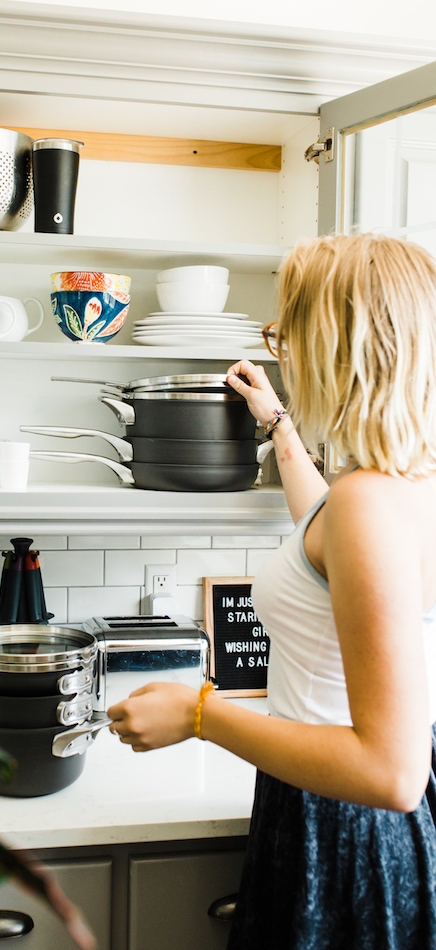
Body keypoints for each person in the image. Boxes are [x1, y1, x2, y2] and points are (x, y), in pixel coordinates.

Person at [107, 232, 436, 950]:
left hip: (343, 829)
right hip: (331, 811)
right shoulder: (390, 486)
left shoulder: (369, 505)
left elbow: (392, 772)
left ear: (335, 343)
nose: (281, 346)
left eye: (288, 327)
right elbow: (322, 534)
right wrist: (280, 425)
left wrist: (201, 714)